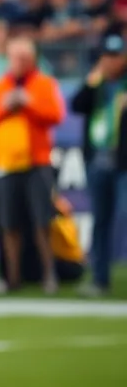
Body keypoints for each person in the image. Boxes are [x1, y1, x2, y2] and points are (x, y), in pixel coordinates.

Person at [0, 36, 66, 293]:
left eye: (25, 58)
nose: (20, 62)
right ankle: (11, 277)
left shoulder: (44, 85)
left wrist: (29, 104)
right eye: (16, 57)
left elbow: (56, 115)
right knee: (8, 224)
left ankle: (49, 275)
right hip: (4, 162)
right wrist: (6, 107)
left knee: (41, 221)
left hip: (38, 162)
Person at [71, 31, 127, 296]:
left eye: (115, 56)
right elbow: (76, 105)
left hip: (123, 163)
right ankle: (100, 278)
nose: (110, 61)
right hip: (98, 161)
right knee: (101, 222)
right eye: (107, 56)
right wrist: (92, 81)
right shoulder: (98, 84)